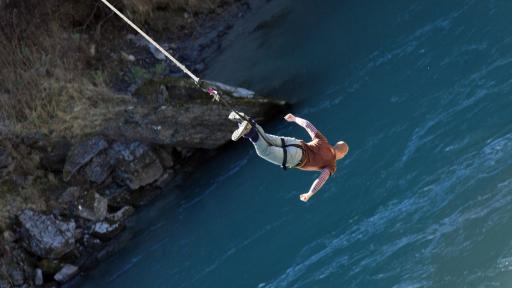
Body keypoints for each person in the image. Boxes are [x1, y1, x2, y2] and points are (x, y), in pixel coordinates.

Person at [229, 111, 349, 202]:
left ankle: (246, 120)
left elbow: (308, 125)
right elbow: (322, 179)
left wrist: (295, 118)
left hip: (295, 143)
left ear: (335, 145)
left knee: (265, 138)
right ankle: (249, 132)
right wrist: (310, 193)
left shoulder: (324, 141)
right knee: (264, 151)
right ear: (342, 155)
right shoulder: (331, 165)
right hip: (296, 157)